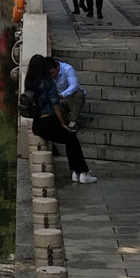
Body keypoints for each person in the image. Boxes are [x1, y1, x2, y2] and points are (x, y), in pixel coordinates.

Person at [24, 53, 95, 182]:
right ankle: (83, 172)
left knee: (69, 139)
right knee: (72, 138)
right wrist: (62, 124)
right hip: (48, 122)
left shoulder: (29, 82)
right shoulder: (47, 82)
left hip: (37, 124)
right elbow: (55, 105)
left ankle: (76, 172)